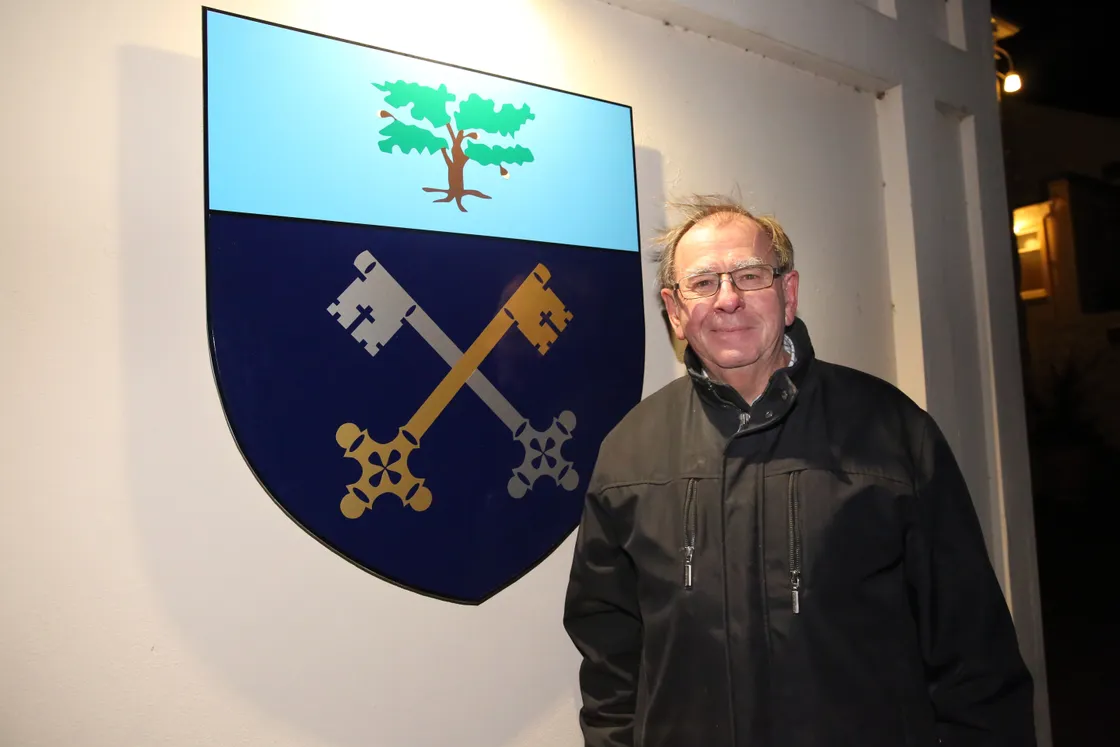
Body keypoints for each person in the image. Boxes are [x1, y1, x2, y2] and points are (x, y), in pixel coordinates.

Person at [562, 195, 1035, 746]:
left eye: (749, 275)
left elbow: (972, 651)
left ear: (788, 295)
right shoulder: (628, 454)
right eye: (703, 282)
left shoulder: (893, 432)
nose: (728, 299)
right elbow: (610, 663)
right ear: (674, 309)